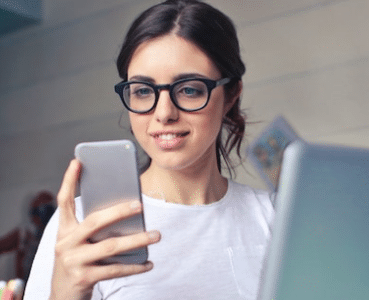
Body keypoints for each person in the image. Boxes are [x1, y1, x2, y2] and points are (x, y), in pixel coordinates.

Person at [24, 1, 274, 299]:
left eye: (190, 89)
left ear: (231, 95)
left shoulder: (274, 217)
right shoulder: (83, 227)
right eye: (143, 91)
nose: (164, 113)